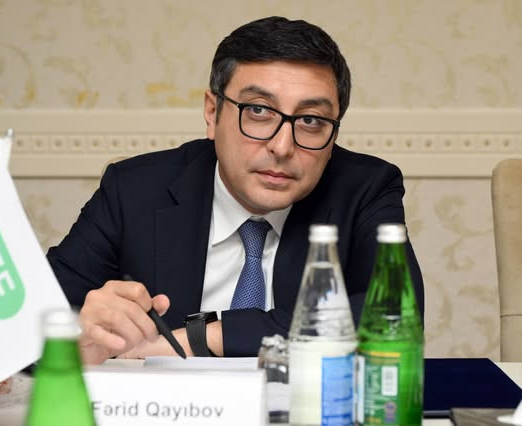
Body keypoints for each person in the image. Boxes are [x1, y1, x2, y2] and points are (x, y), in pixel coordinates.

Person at [46, 16, 424, 364]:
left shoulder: (365, 189)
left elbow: (396, 317)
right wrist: (80, 331)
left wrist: (205, 336)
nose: (282, 147)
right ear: (212, 113)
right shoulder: (134, 190)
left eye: (310, 120)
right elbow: (29, 321)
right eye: (258, 111)